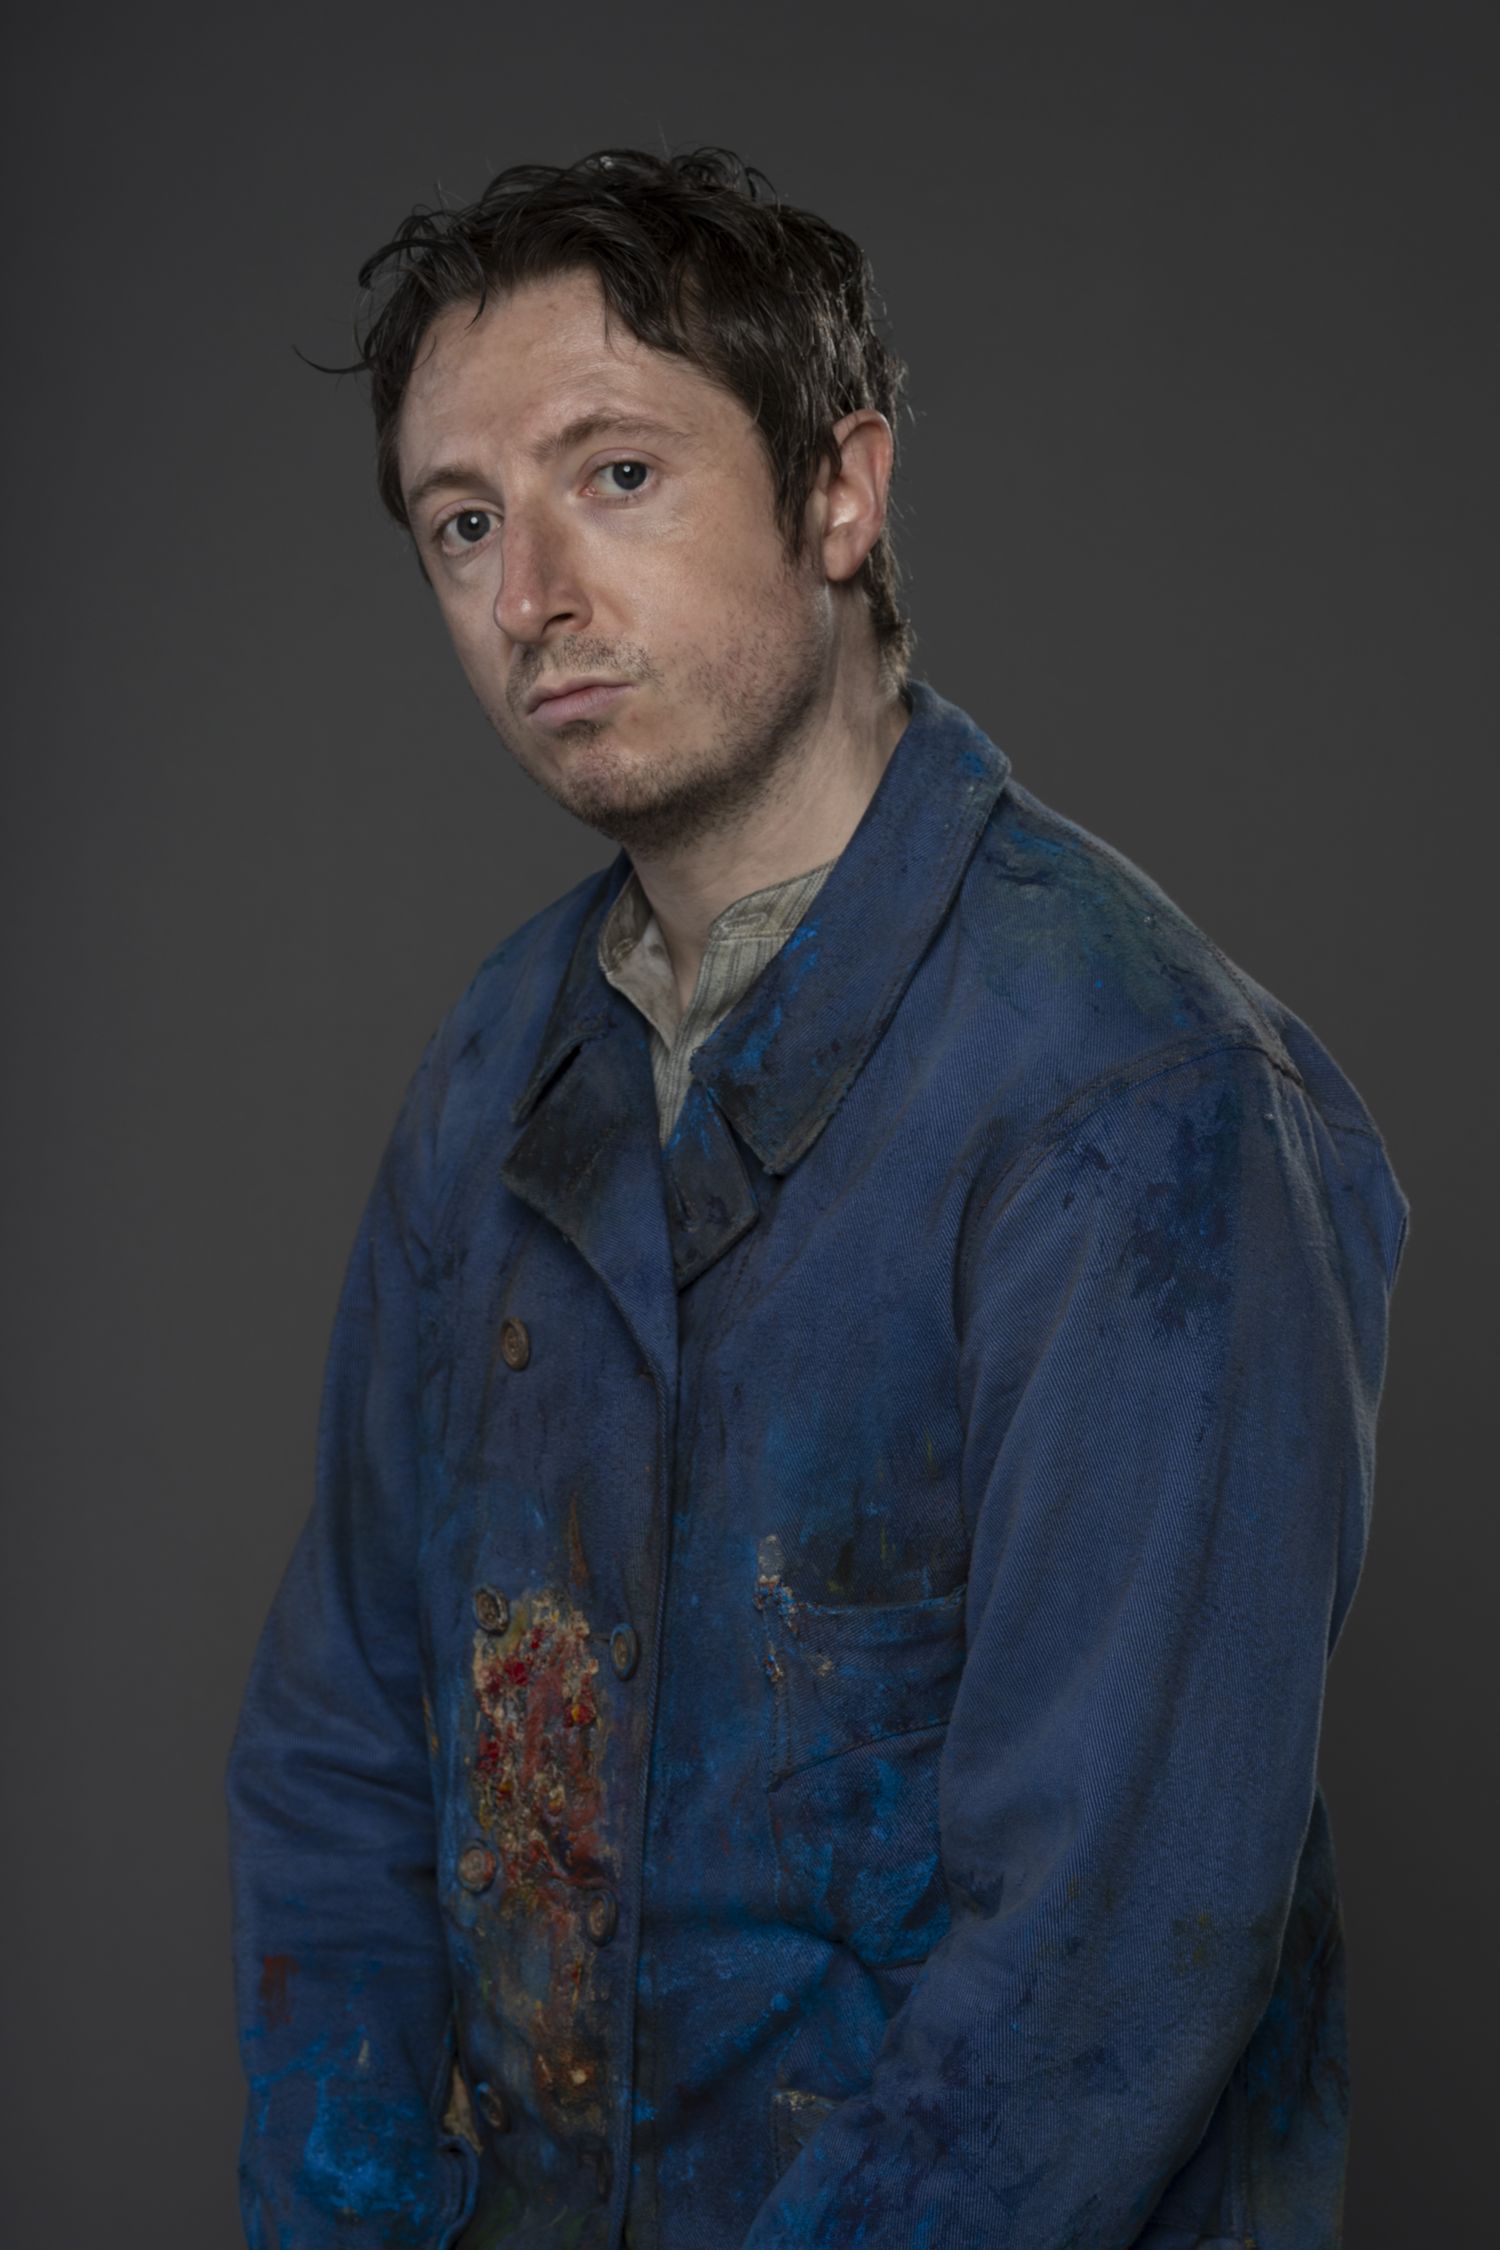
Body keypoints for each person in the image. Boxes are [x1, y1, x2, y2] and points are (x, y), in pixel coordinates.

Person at [227, 146, 1410, 2250]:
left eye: (615, 475)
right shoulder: (494, 1072)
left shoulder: (1137, 1106)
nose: (529, 597)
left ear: (842, 492)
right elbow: (341, 1750)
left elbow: (1101, 1973)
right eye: (463, 523)